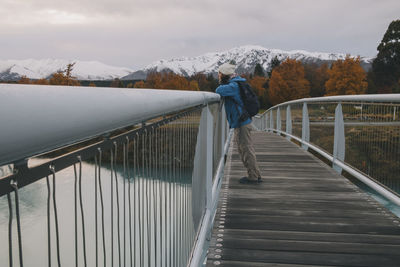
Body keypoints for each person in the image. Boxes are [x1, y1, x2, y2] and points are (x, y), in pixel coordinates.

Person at [215, 63, 262, 184]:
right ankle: (255, 174)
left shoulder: (233, 86)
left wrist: (222, 82)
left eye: (220, 74)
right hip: (241, 122)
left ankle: (253, 177)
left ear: (225, 74)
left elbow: (218, 90)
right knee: (245, 149)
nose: (218, 76)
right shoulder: (236, 83)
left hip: (242, 123)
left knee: (246, 149)